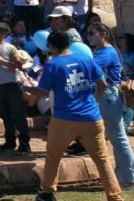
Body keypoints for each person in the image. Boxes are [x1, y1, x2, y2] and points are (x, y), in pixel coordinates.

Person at [28, 30, 122, 201]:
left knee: (53, 156)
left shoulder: (52, 65)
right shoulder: (87, 59)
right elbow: (102, 84)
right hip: (91, 118)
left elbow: (41, 92)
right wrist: (96, 102)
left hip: (64, 120)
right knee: (102, 160)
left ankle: (48, 192)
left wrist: (25, 89)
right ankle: (115, 197)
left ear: (51, 46)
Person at [88, 23, 134, 189]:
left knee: (119, 137)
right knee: (117, 137)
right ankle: (122, 175)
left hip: (108, 96)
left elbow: (89, 68)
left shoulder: (106, 53)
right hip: (108, 96)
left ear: (102, 34)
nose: (89, 37)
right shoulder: (103, 51)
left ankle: (129, 178)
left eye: (92, 33)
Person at [0, 23, 31, 156]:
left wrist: (0, 60)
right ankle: (10, 141)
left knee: (18, 115)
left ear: (2, 34)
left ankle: (24, 144)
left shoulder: (11, 48)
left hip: (12, 86)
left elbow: (17, 66)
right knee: (5, 115)